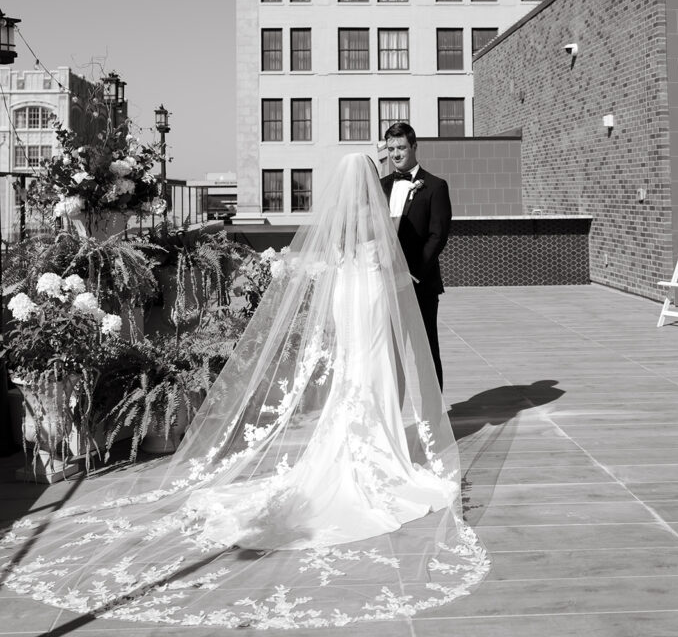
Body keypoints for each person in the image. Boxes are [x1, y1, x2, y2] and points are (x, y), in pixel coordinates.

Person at [1, 154, 488, 629]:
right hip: (370, 293)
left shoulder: (341, 218)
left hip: (346, 294)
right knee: (374, 370)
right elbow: (388, 266)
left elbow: (332, 262)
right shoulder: (376, 215)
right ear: (369, 180)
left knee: (352, 374)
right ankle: (382, 446)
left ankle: (355, 440)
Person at [381, 123, 452, 391]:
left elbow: (438, 236)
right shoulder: (380, 186)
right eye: (391, 149)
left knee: (425, 351)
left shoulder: (435, 186)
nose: (396, 154)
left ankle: (434, 417)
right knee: (390, 353)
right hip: (386, 284)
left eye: (401, 147)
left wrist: (413, 273)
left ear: (413, 147)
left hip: (420, 284)